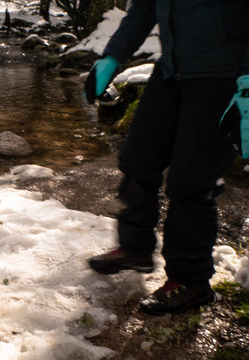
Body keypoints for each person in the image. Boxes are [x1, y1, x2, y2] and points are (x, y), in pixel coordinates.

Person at [84, 0, 249, 315]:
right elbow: (145, 9)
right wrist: (113, 56)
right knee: (137, 160)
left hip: (224, 78)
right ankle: (136, 249)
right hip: (171, 72)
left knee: (190, 182)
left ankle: (191, 281)